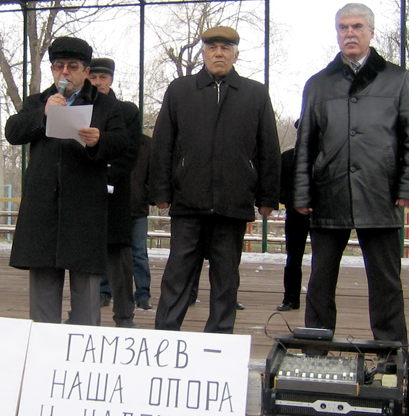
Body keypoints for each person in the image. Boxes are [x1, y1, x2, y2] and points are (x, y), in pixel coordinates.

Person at [293, 3, 409, 343]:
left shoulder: (398, 79)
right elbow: (306, 142)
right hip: (329, 192)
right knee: (320, 280)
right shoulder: (318, 84)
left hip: (381, 192)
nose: (349, 33)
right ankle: (314, 349)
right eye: (342, 27)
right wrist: (302, 192)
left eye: (356, 27)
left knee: (386, 282)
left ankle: (391, 355)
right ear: (336, 33)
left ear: (370, 32)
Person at [150, 26, 281, 333]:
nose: (219, 53)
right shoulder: (180, 90)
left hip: (233, 204)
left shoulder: (255, 93)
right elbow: (162, 144)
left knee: (225, 279)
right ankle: (165, 336)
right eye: (212, 47)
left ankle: (220, 339)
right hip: (187, 202)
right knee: (177, 275)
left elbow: (269, 148)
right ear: (204, 52)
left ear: (236, 54)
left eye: (225, 47)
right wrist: (160, 190)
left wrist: (267, 197)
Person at [5, 37, 129, 325]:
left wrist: (100, 140)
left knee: (86, 288)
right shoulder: (38, 102)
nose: (65, 72)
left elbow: (122, 143)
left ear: (85, 71)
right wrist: (43, 113)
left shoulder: (105, 104)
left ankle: (83, 348)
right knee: (44, 286)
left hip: (84, 208)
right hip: (44, 208)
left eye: (72, 67)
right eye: (58, 66)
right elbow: (13, 131)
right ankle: (43, 349)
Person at [88, 58, 142, 327]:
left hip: (116, 194)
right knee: (84, 256)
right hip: (83, 195)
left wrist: (105, 174)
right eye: (93, 77)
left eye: (103, 77)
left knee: (120, 259)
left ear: (111, 79)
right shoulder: (79, 108)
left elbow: (130, 152)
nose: (98, 82)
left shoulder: (127, 111)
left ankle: (124, 315)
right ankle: (85, 315)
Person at [277, 146, 310, 312]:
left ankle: (317, 303)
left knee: (323, 262)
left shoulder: (325, 154)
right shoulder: (287, 157)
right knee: (293, 258)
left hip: (321, 214)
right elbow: (279, 186)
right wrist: (293, 202)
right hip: (295, 213)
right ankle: (290, 299)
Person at [130, 134, 153, 310]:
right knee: (109, 251)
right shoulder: (112, 138)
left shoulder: (147, 144)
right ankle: (104, 291)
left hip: (138, 207)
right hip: (114, 206)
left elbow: (152, 173)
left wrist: (148, 196)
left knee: (139, 253)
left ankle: (143, 294)